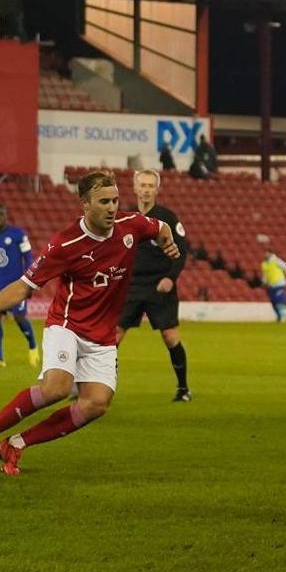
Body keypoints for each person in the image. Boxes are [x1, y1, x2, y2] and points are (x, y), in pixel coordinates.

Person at [0, 171, 179, 476]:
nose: (112, 207)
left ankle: (17, 443)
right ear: (85, 204)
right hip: (67, 325)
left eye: (115, 200)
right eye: (104, 202)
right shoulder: (66, 243)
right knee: (56, 388)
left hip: (102, 336)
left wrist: (168, 243)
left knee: (96, 404)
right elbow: (23, 286)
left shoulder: (131, 226)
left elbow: (161, 227)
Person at [116, 170, 191, 401]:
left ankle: (183, 389)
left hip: (160, 284)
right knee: (112, 339)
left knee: (170, 338)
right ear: (135, 188)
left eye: (151, 185)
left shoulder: (168, 217)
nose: (147, 189)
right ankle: (97, 387)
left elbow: (182, 250)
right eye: (143, 185)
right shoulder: (124, 216)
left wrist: (171, 278)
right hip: (131, 286)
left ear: (157, 189)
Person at [0, 203, 40, 369]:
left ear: (6, 215)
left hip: (15, 284)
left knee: (20, 318)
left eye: (1, 213)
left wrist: (28, 282)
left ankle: (33, 347)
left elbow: (28, 258)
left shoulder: (18, 234)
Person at [261, 249, 286, 322]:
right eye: (265, 253)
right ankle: (279, 317)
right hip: (271, 285)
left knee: (279, 300)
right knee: (273, 302)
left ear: (271, 253)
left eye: (267, 253)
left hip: (279, 284)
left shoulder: (276, 260)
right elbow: (265, 275)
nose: (265, 254)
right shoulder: (264, 263)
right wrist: (264, 282)